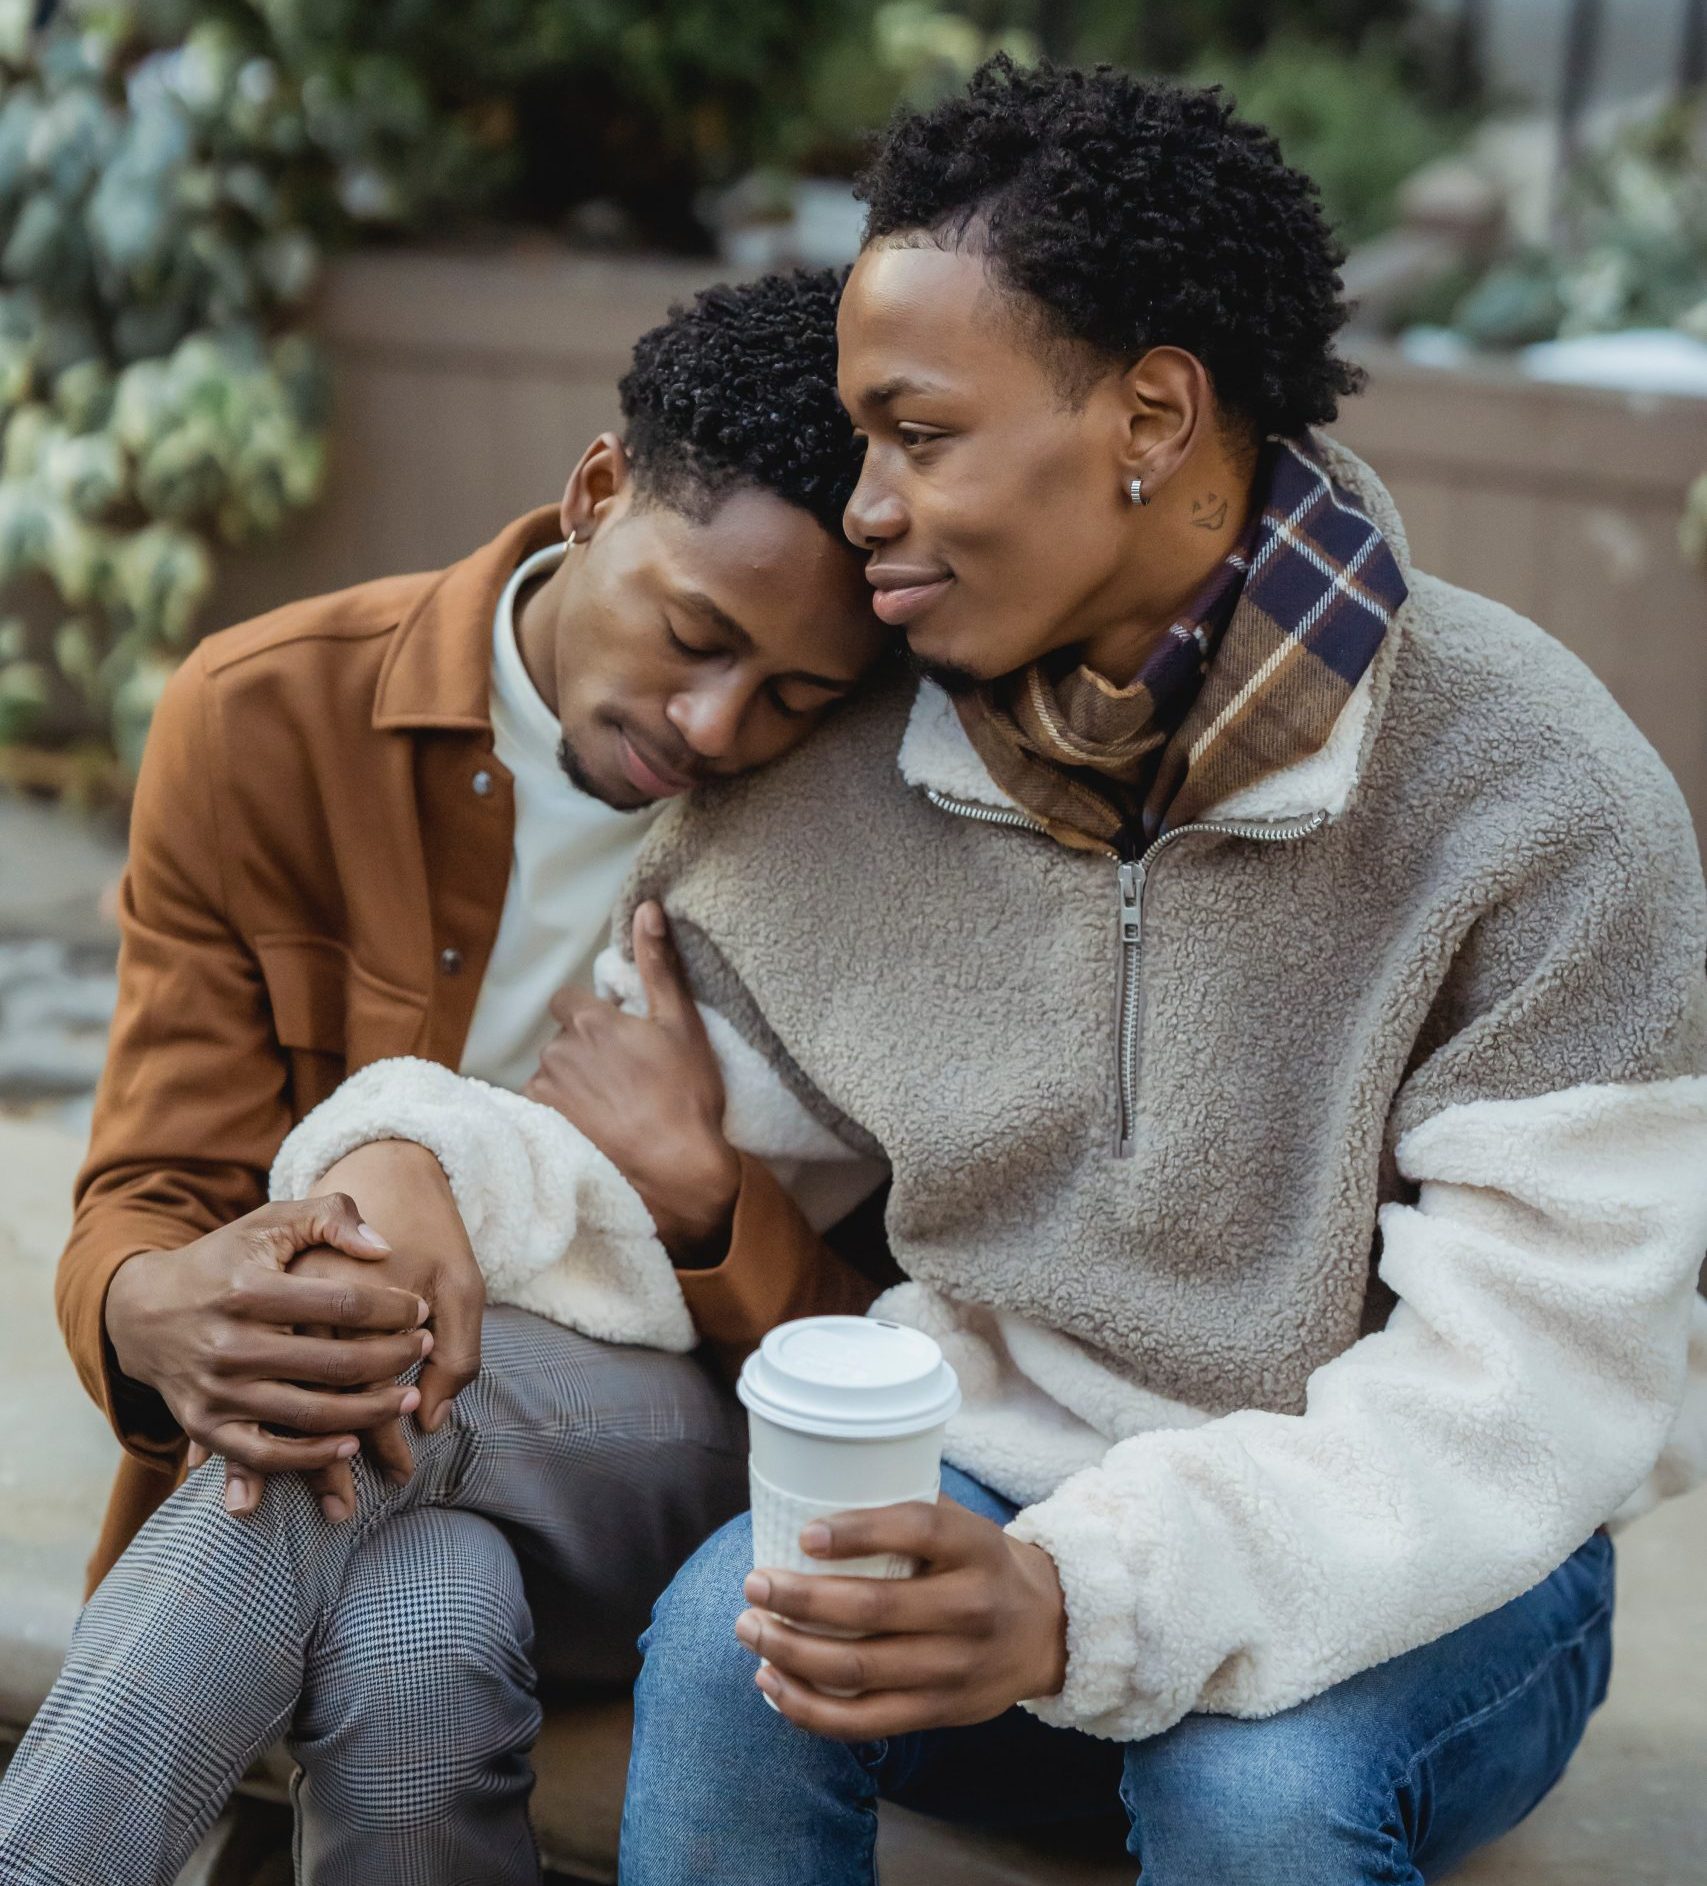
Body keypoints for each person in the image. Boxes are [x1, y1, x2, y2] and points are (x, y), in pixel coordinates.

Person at [602, 60, 1707, 1885]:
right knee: (741, 1649)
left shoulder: (1540, 799)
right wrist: (402, 1178)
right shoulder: (854, 758)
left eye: (919, 434)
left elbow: (1524, 1402)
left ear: (1154, 414)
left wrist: (1085, 1594)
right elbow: (613, 1123)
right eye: (858, 440)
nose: (862, 505)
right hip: (992, 1488)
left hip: (1425, 1562)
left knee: (1255, 1795)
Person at [0, 269, 892, 1886]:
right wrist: (149, 1306)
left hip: (670, 1469)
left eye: (796, 694)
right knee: (423, 1623)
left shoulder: (856, 828)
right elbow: (148, 1190)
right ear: (598, 489)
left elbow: (903, 1361)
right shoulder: (263, 715)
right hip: (382, 1502)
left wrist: (705, 1200)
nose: (716, 722)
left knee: (385, 1380)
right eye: (696, 633)